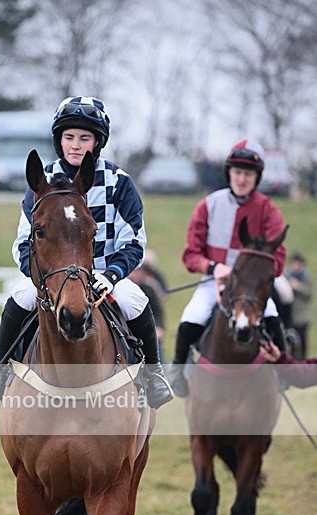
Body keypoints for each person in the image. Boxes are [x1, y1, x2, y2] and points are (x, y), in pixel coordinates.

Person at [0, 96, 173, 409]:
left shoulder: (119, 182)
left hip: (105, 276)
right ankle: (1, 370)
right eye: (69, 137)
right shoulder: (40, 182)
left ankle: (153, 376)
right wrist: (43, 280)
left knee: (136, 301)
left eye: (84, 138)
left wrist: (111, 275)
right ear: (59, 140)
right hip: (52, 278)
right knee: (18, 300)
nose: (75, 144)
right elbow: (22, 243)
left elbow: (135, 240)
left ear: (97, 142)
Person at [167, 139, 287, 397]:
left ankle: (283, 373)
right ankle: (176, 372)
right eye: (238, 172)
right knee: (190, 319)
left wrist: (252, 275)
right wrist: (213, 267)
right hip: (215, 282)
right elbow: (190, 254)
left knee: (274, 319)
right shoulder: (208, 205)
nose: (242, 179)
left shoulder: (268, 210)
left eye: (248, 173)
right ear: (229, 173)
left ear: (257, 177)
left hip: (252, 289)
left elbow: (278, 261)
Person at [129, 249, 167, 361]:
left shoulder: (149, 288)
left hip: (149, 327)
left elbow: (158, 311)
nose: (135, 274)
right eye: (134, 271)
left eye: (139, 271)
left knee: (156, 342)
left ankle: (159, 370)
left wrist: (159, 328)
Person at [286, 252, 313, 358]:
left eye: (298, 263)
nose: (295, 266)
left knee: (302, 341)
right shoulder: (287, 276)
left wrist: (298, 287)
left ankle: (303, 361)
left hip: (302, 317)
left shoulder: (306, 277)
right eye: (294, 263)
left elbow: (309, 294)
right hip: (291, 316)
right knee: (291, 341)